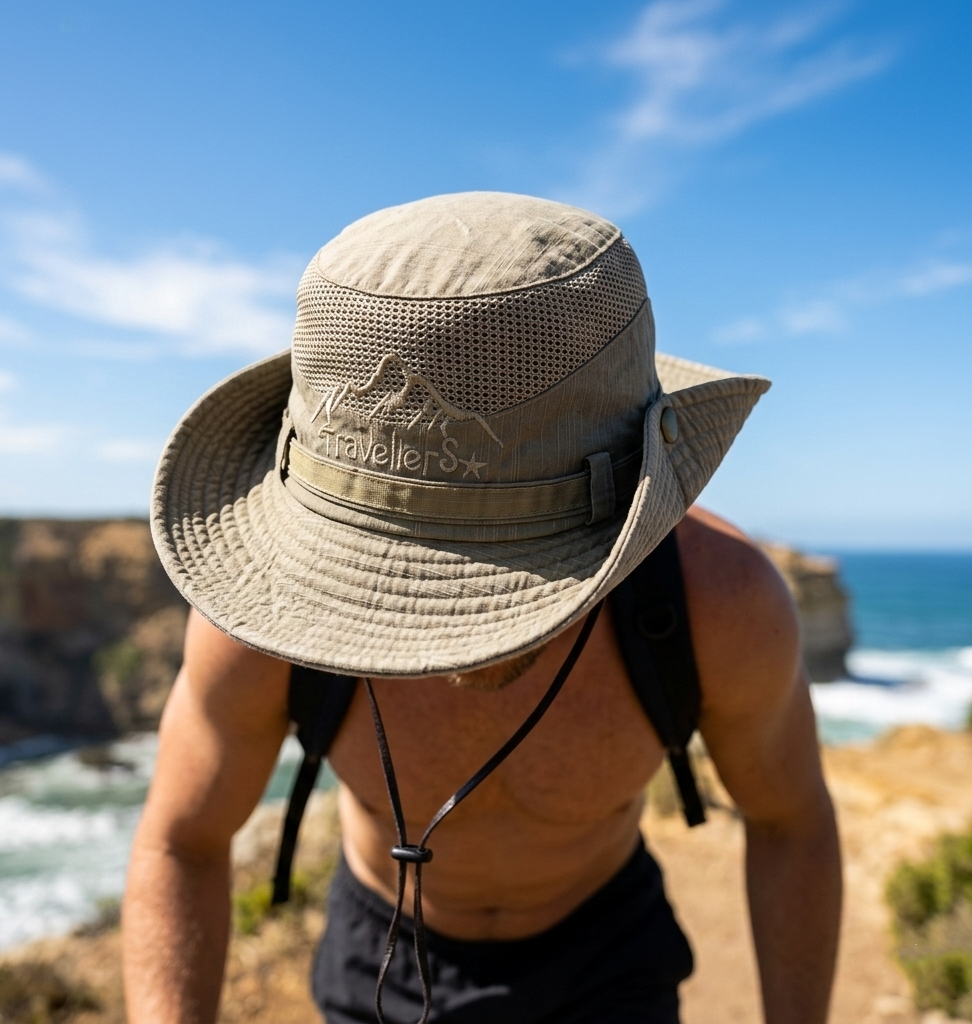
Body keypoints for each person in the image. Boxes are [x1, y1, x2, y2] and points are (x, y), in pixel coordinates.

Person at [123, 192, 842, 1024]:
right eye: (406, 565)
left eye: (504, 568)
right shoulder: (264, 614)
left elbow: (791, 822)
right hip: (379, 952)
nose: (456, 626)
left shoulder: (719, 602)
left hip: (610, 956)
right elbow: (181, 839)